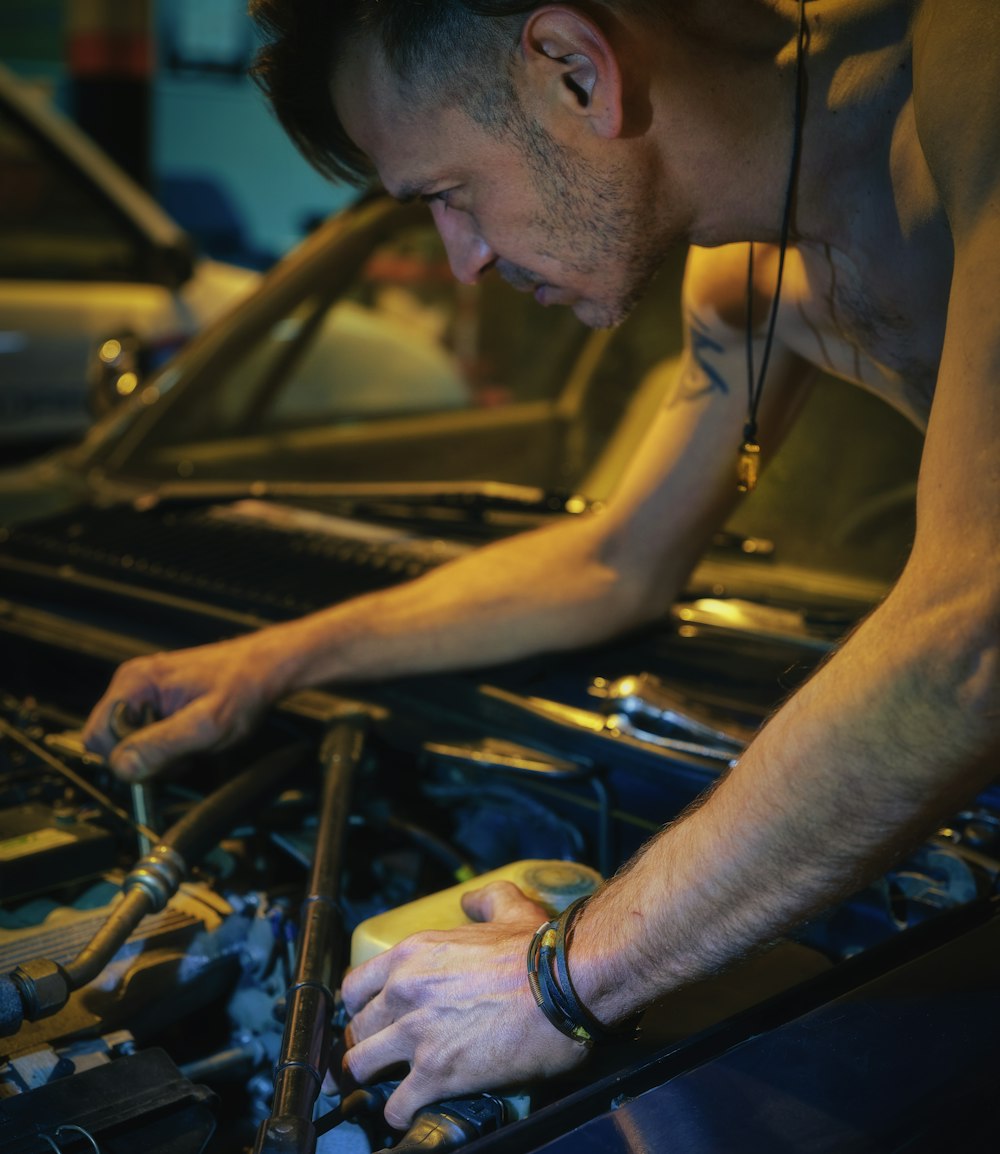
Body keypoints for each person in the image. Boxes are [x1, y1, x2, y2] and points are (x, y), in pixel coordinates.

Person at [83, 0, 999, 1131]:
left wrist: (560, 977)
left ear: (576, 70)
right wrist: (274, 659)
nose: (459, 264)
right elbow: (614, 559)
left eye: (447, 196)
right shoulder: (747, 289)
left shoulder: (971, 69)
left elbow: (971, 628)